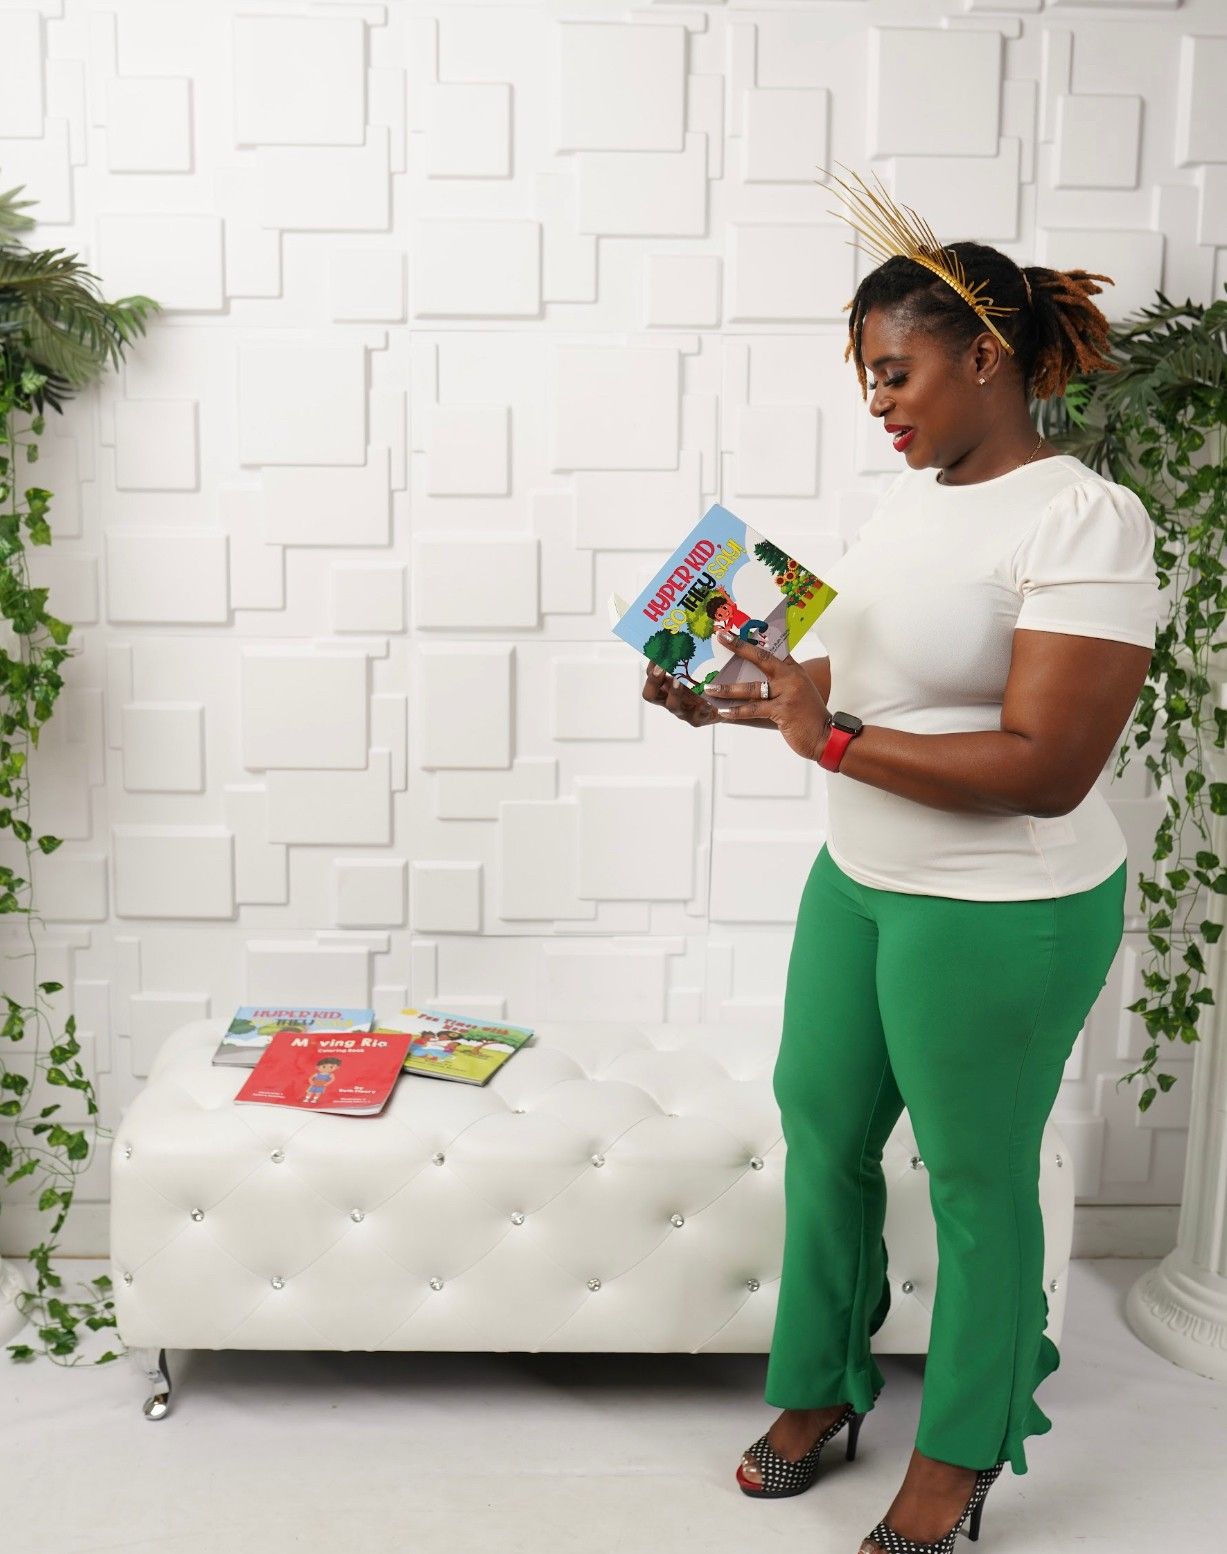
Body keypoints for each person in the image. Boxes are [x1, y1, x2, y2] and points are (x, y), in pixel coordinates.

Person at [641, 174, 1161, 1554]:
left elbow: (1049, 764)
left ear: (985, 354)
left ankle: (963, 1451)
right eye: (867, 379)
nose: (879, 400)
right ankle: (821, 1386)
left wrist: (830, 737)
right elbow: (858, 693)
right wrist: (733, 694)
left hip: (1002, 907)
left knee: (979, 1179)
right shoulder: (910, 499)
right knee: (824, 1128)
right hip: (862, 880)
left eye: (896, 370)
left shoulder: (1084, 520)